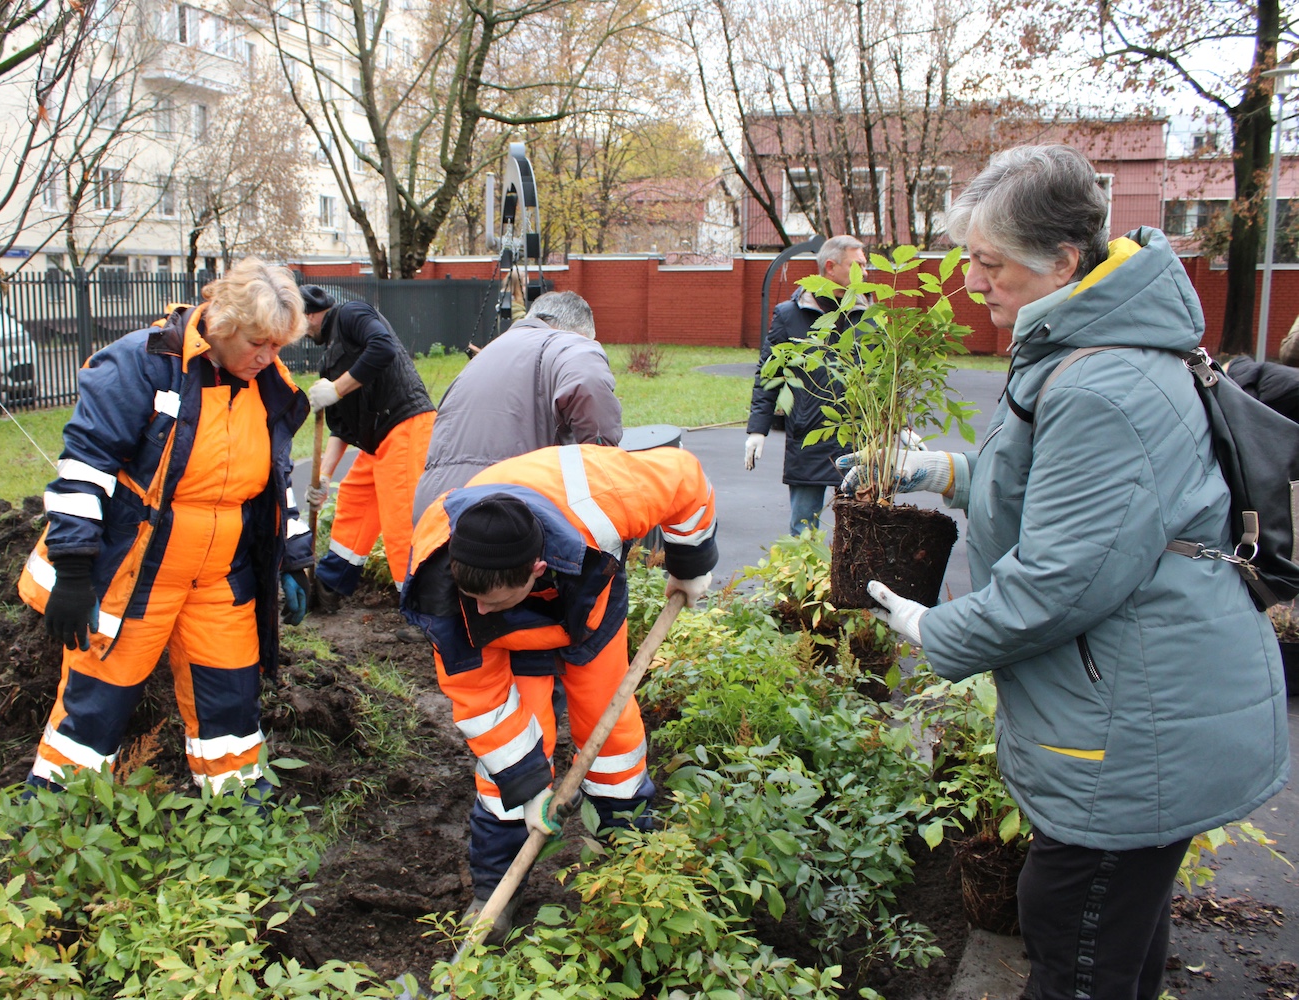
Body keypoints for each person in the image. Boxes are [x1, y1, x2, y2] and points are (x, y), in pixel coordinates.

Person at [853, 145, 1288, 1000]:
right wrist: (947, 473)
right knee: (1120, 933)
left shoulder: (1104, 383)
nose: (973, 281)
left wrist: (936, 629)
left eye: (989, 262)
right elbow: (1081, 501)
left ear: (1059, 260)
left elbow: (1062, 576)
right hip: (1144, 699)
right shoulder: (1104, 342)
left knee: (1076, 939)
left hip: (1130, 721)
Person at [18, 257, 314, 793]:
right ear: (223, 325)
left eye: (279, 346)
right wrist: (75, 569)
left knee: (230, 699)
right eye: (258, 343)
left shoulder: (268, 384)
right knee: (97, 699)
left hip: (221, 579)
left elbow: (275, 479)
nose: (269, 358)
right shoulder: (143, 364)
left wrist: (294, 558)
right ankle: (56, 813)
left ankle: (239, 810)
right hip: (134, 574)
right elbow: (86, 467)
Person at [402, 444, 718, 942]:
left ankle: (630, 860)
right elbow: (482, 704)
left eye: (494, 600)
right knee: (508, 761)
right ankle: (495, 892)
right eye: (474, 599)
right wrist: (527, 790)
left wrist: (689, 563)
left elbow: (686, 479)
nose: (481, 609)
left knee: (611, 736)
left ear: (536, 569)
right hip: (502, 642)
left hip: (585, 601)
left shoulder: (610, 495)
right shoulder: (447, 589)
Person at [411, 290, 622, 524]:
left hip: (434, 514)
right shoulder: (567, 342)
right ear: (580, 333)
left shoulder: (488, 354)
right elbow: (589, 381)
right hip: (503, 514)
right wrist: (603, 459)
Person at [300, 286, 436, 604]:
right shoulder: (328, 361)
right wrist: (322, 476)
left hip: (405, 426)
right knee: (354, 501)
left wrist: (337, 388)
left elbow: (382, 348)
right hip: (376, 441)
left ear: (309, 314)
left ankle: (422, 609)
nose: (300, 333)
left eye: (299, 322)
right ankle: (330, 586)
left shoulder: (351, 314)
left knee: (400, 521)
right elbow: (341, 428)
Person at [743, 234, 870, 535]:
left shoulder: (869, 315)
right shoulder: (791, 315)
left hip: (859, 439)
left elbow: (881, 376)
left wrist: (899, 425)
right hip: (809, 438)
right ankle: (803, 580)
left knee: (858, 532)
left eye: (866, 266)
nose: (865, 274)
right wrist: (757, 430)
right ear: (831, 267)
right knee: (804, 531)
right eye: (858, 266)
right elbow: (768, 374)